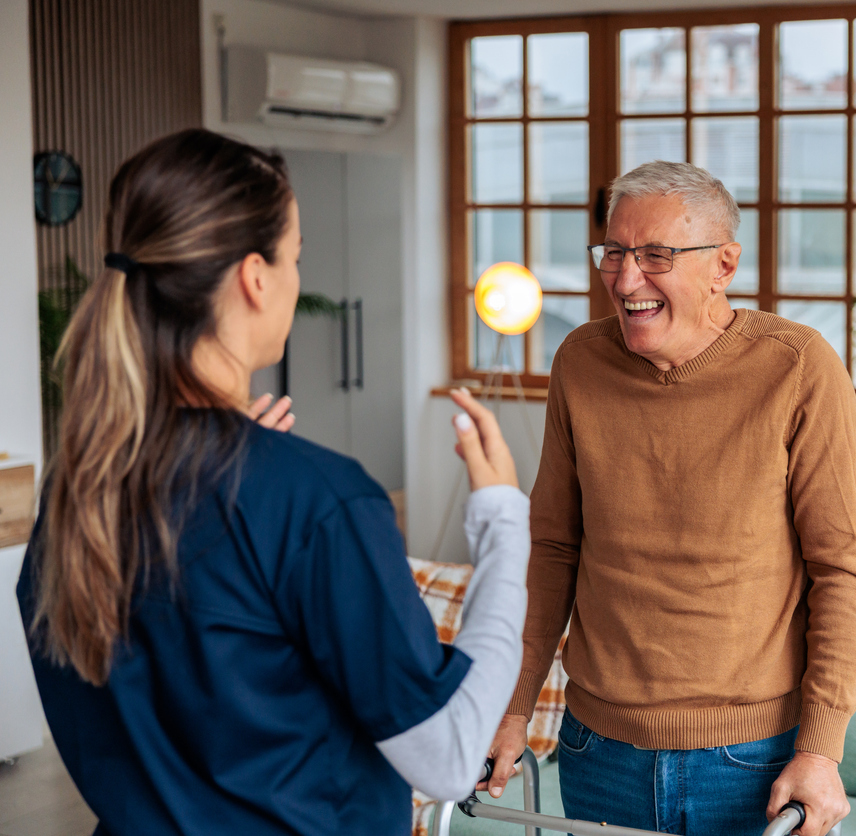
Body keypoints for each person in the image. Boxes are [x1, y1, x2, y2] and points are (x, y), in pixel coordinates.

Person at [18, 128, 528, 836]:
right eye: (296, 258)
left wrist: (254, 481)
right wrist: (503, 521)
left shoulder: (76, 492)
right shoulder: (316, 500)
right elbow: (446, 756)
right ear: (255, 277)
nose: (295, 280)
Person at [481, 161, 856, 836]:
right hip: (594, 748)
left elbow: (841, 573)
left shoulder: (797, 366)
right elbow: (552, 547)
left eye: (655, 256)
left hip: (749, 759)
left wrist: (819, 749)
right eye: (614, 252)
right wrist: (512, 707)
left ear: (723, 265)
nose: (625, 278)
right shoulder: (578, 361)